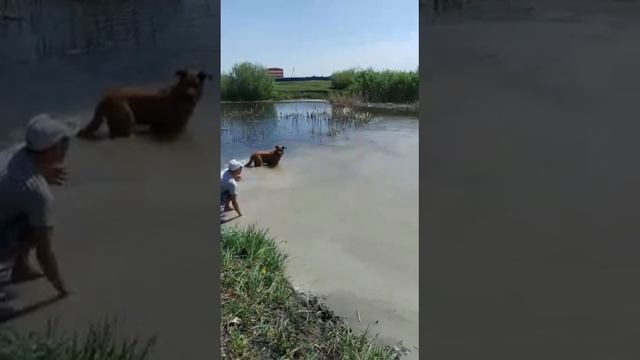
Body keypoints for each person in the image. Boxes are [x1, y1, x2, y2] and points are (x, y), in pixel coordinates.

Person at [0, 114, 71, 298]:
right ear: (51, 150)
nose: (66, 149)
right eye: (63, 145)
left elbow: (13, 181)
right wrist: (63, 290)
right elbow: (44, 253)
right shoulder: (37, 194)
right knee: (39, 222)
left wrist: (42, 172)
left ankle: (21, 269)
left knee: (28, 214)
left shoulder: (15, 152)